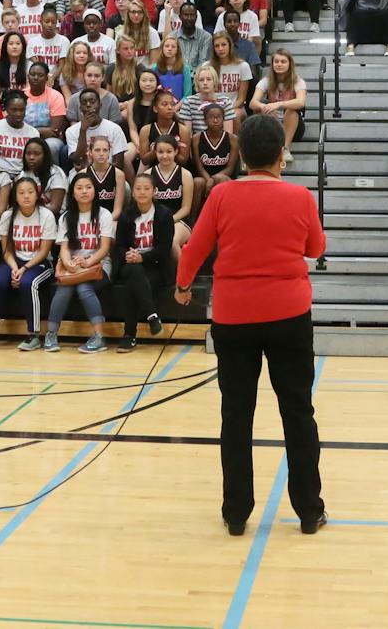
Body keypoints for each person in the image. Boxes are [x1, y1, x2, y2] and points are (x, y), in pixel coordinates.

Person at [175, 114, 327, 536]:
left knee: (236, 414)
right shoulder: (300, 197)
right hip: (289, 315)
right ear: (282, 155)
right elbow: (316, 247)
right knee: (298, 412)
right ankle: (309, 511)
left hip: (233, 316)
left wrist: (183, 287)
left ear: (240, 155)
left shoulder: (222, 196)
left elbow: (193, 249)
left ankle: (236, 512)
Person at [0, 176, 58, 351]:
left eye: (30, 192)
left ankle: (33, 335)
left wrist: (24, 269)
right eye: (21, 192)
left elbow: (44, 251)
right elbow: (6, 250)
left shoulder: (46, 215)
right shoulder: (8, 216)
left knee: (28, 283)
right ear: (15, 196)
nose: (26, 196)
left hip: (39, 262)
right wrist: (14, 268)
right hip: (14, 261)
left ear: (37, 194)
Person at [45, 173, 114, 353]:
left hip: (99, 266)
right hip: (74, 267)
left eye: (88, 187)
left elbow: (104, 248)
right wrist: (68, 264)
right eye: (79, 188)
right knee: (64, 289)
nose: (84, 191)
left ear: (95, 191)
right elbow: (65, 248)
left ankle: (99, 337)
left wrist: (87, 262)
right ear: (72, 193)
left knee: (84, 288)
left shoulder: (104, 214)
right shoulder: (66, 217)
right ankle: (51, 334)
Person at [114, 173, 174, 352]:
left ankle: (129, 336)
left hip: (155, 264)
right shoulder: (126, 216)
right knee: (134, 272)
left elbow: (164, 249)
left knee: (134, 285)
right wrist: (129, 255)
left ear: (154, 191)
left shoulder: (164, 215)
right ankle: (152, 316)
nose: (142, 192)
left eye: (146, 189)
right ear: (132, 192)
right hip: (130, 264)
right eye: (138, 189)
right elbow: (119, 247)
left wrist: (143, 257)